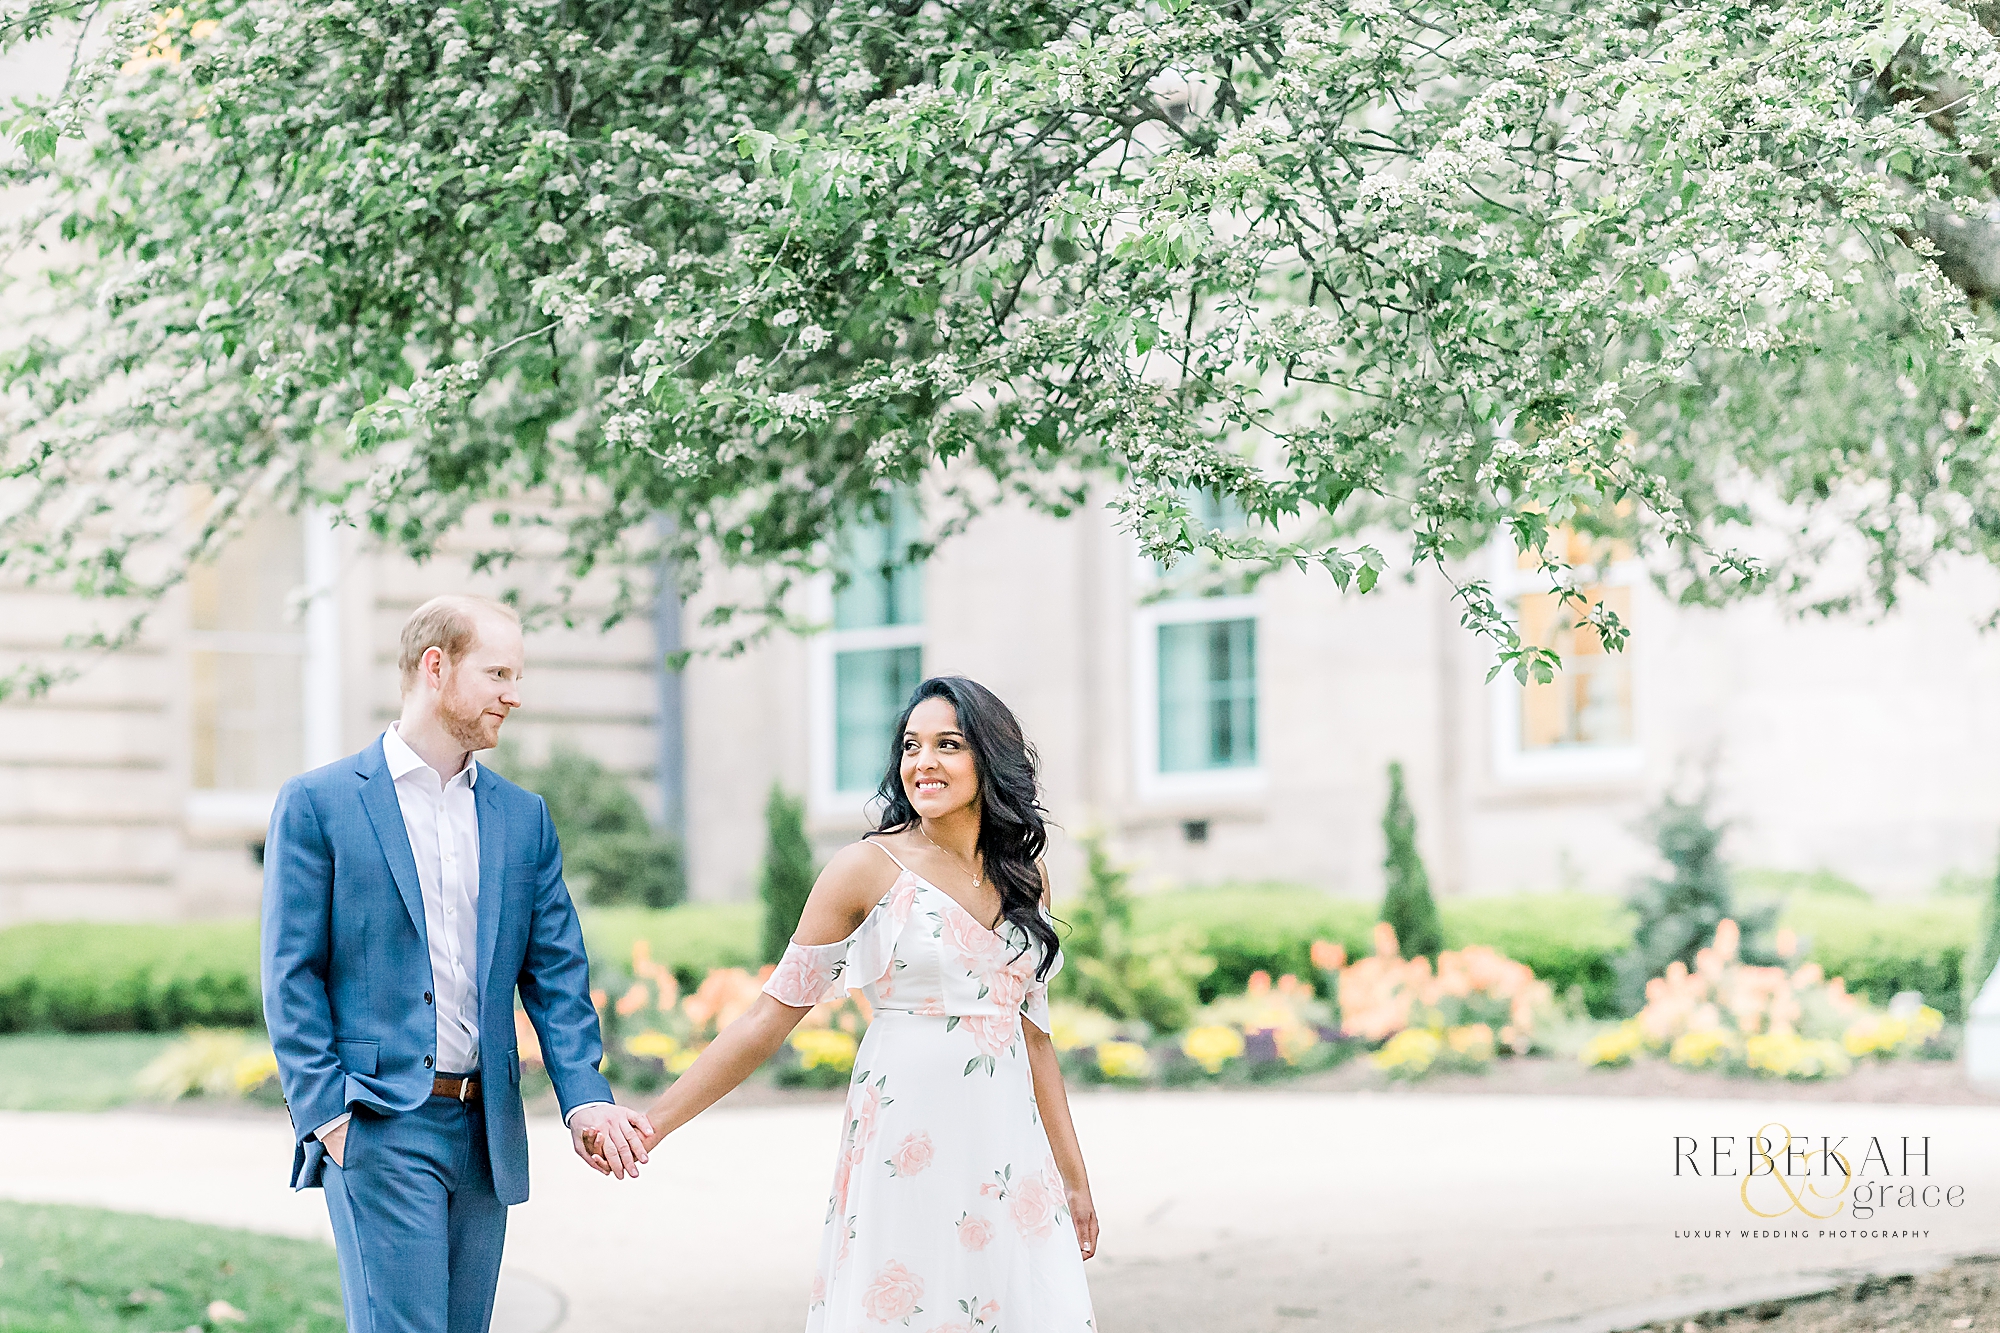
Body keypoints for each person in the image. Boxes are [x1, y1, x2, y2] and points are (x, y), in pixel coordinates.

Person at [625, 674, 1099, 1331]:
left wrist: (1072, 1177)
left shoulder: (1025, 875)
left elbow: (1036, 1039)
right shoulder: (865, 868)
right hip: (907, 1142)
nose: (922, 761)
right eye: (911, 745)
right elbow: (768, 1018)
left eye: (948, 744)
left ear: (989, 757)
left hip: (1006, 1149)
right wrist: (654, 1124)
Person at [261, 593, 655, 1333]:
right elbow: (291, 973)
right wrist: (330, 1117)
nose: (515, 693)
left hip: (485, 1133)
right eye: (498, 671)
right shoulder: (319, 804)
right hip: (380, 1121)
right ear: (435, 667)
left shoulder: (521, 817)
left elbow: (557, 972)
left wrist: (585, 1094)